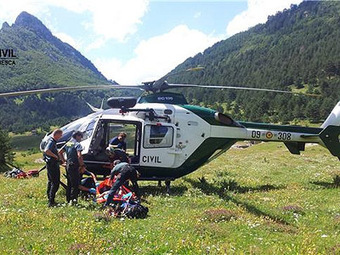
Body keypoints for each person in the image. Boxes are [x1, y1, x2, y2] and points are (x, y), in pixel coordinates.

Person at [60, 131, 84, 204]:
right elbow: (79, 156)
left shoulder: (69, 143)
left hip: (68, 165)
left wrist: (64, 161)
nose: (81, 139)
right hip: (74, 165)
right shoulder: (77, 144)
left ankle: (68, 199)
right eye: (81, 137)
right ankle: (73, 200)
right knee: (75, 184)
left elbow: (60, 152)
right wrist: (82, 165)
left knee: (69, 183)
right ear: (77, 136)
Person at [44, 129, 63, 207]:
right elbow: (46, 150)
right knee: (55, 183)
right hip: (52, 164)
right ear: (56, 135)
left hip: (50, 164)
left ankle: (50, 199)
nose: (61, 137)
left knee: (50, 181)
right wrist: (55, 156)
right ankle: (51, 201)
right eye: (60, 135)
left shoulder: (52, 141)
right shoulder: (51, 142)